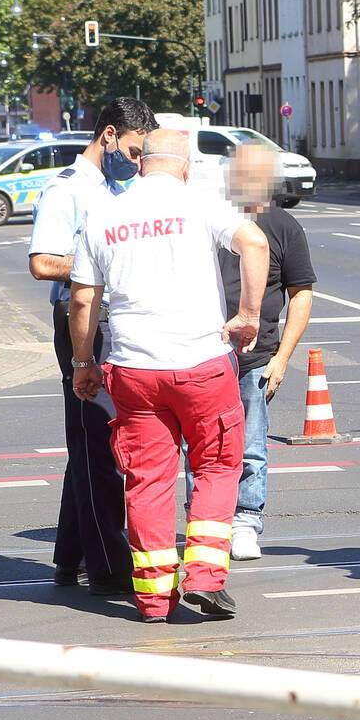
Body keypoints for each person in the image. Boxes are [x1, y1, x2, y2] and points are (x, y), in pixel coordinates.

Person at [68, 127, 269, 623]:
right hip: (201, 363)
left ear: (141, 164)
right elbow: (255, 243)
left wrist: (83, 363)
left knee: (148, 481)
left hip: (134, 369)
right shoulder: (198, 204)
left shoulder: (104, 212)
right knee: (219, 466)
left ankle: (155, 600)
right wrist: (248, 314)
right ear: (186, 167)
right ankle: (203, 578)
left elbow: (83, 298)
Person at [27, 97, 156, 595]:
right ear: (107, 136)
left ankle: (69, 554)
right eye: (132, 149)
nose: (137, 161)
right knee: (98, 442)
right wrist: (100, 267)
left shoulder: (114, 187)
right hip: (83, 322)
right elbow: (42, 262)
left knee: (90, 438)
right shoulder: (68, 190)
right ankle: (108, 566)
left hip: (110, 318)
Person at [219, 142, 317, 562]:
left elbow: (301, 295)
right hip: (203, 354)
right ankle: (206, 522)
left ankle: (245, 521)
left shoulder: (284, 227)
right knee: (200, 446)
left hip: (256, 359)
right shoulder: (210, 218)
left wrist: (282, 358)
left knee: (251, 446)